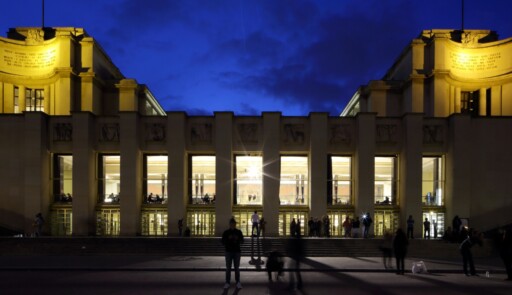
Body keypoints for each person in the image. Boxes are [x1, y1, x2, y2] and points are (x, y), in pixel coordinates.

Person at [222, 218, 244, 289]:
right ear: (229, 224)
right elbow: (222, 241)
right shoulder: (226, 232)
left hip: (237, 252)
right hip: (228, 251)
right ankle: (227, 282)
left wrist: (238, 239)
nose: (232, 225)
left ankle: (238, 282)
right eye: (231, 224)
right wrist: (228, 238)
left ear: (235, 224)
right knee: (228, 268)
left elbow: (242, 241)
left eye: (234, 224)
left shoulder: (238, 232)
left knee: (236, 268)